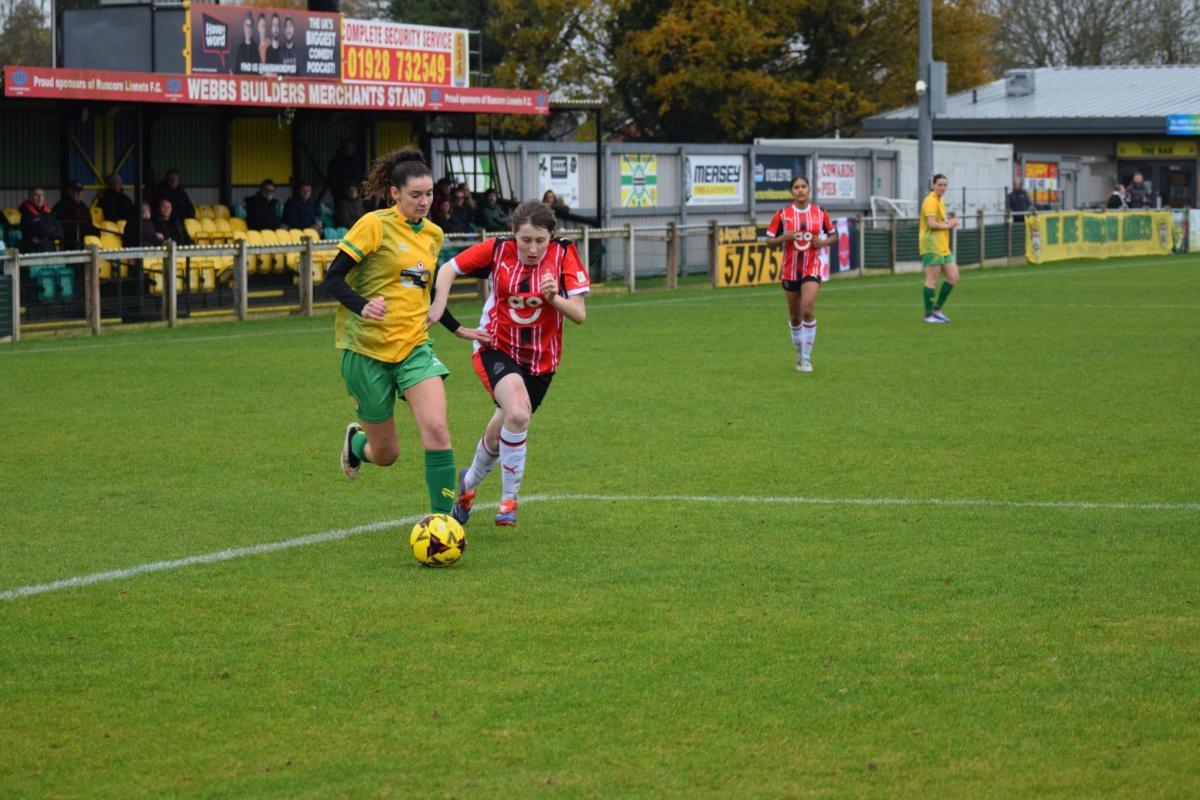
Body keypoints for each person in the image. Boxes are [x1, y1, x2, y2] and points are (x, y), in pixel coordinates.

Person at [320, 149, 489, 516]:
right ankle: (357, 444)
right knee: (386, 454)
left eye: (429, 194)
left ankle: (443, 521)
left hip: (414, 346)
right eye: (416, 195)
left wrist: (457, 328)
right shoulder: (374, 225)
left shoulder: (433, 234)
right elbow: (331, 279)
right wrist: (363, 304)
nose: (425, 202)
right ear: (395, 193)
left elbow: (422, 287)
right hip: (365, 351)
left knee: (437, 432)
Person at [429, 200, 590, 528]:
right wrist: (440, 304)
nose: (532, 249)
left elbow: (579, 315)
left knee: (501, 430)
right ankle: (509, 500)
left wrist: (553, 298)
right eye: (525, 240)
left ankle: (467, 485)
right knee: (518, 412)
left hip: (541, 362)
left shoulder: (564, 254)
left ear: (551, 236)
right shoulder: (497, 250)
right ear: (513, 235)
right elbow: (447, 269)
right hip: (495, 346)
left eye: (539, 241)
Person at [763, 175, 837, 373]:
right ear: (791, 191)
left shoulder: (820, 213)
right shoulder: (782, 214)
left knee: (807, 309)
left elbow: (832, 235)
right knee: (795, 316)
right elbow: (768, 241)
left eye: (804, 186)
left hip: (812, 267)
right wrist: (782, 238)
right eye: (796, 187)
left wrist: (823, 242)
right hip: (790, 270)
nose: (801, 190)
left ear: (809, 189)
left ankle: (806, 358)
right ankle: (799, 355)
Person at [919, 173, 961, 324]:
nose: (943, 187)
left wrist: (949, 221)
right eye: (940, 185)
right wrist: (949, 225)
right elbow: (931, 224)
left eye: (945, 185)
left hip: (942, 245)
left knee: (953, 276)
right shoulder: (930, 201)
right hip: (931, 245)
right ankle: (928, 315)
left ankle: (937, 310)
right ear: (933, 185)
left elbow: (940, 221)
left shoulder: (940, 200)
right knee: (932, 280)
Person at [52, 182, 95, 250]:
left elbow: (89, 224)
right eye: (76, 191)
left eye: (81, 191)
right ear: (69, 192)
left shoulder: (84, 207)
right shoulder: (60, 207)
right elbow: (56, 226)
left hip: (83, 242)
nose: (79, 193)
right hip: (68, 244)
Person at [19, 187, 62, 253]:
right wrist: (49, 233)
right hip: (33, 251)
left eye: (42, 195)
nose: (40, 198)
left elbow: (59, 230)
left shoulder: (47, 212)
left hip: (49, 250)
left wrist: (47, 233)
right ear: (30, 197)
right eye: (36, 195)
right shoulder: (26, 213)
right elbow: (43, 231)